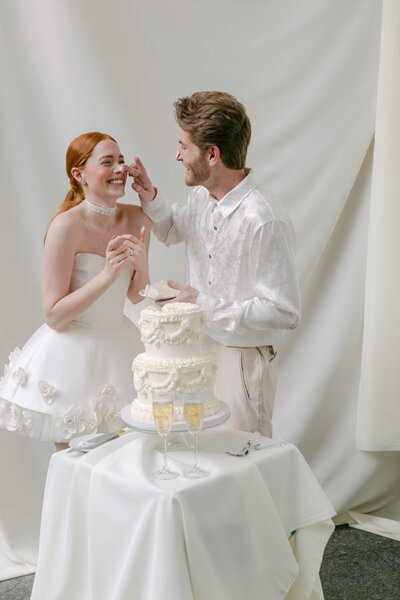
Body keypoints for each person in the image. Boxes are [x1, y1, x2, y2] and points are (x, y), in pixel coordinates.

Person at [127, 91, 301, 437]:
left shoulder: (263, 219)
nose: (177, 156)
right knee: (200, 458)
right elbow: (174, 229)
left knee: (239, 462)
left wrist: (199, 303)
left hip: (242, 362)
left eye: (183, 146)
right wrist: (149, 196)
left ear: (212, 154)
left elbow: (284, 312)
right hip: (195, 352)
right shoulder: (200, 198)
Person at [0, 131, 150, 450]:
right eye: (107, 162)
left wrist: (143, 266)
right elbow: (54, 316)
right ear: (79, 174)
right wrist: (107, 274)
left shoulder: (138, 218)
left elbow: (136, 295)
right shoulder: (66, 226)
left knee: (124, 462)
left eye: (121, 161)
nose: (119, 169)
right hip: (69, 357)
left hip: (120, 349)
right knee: (74, 464)